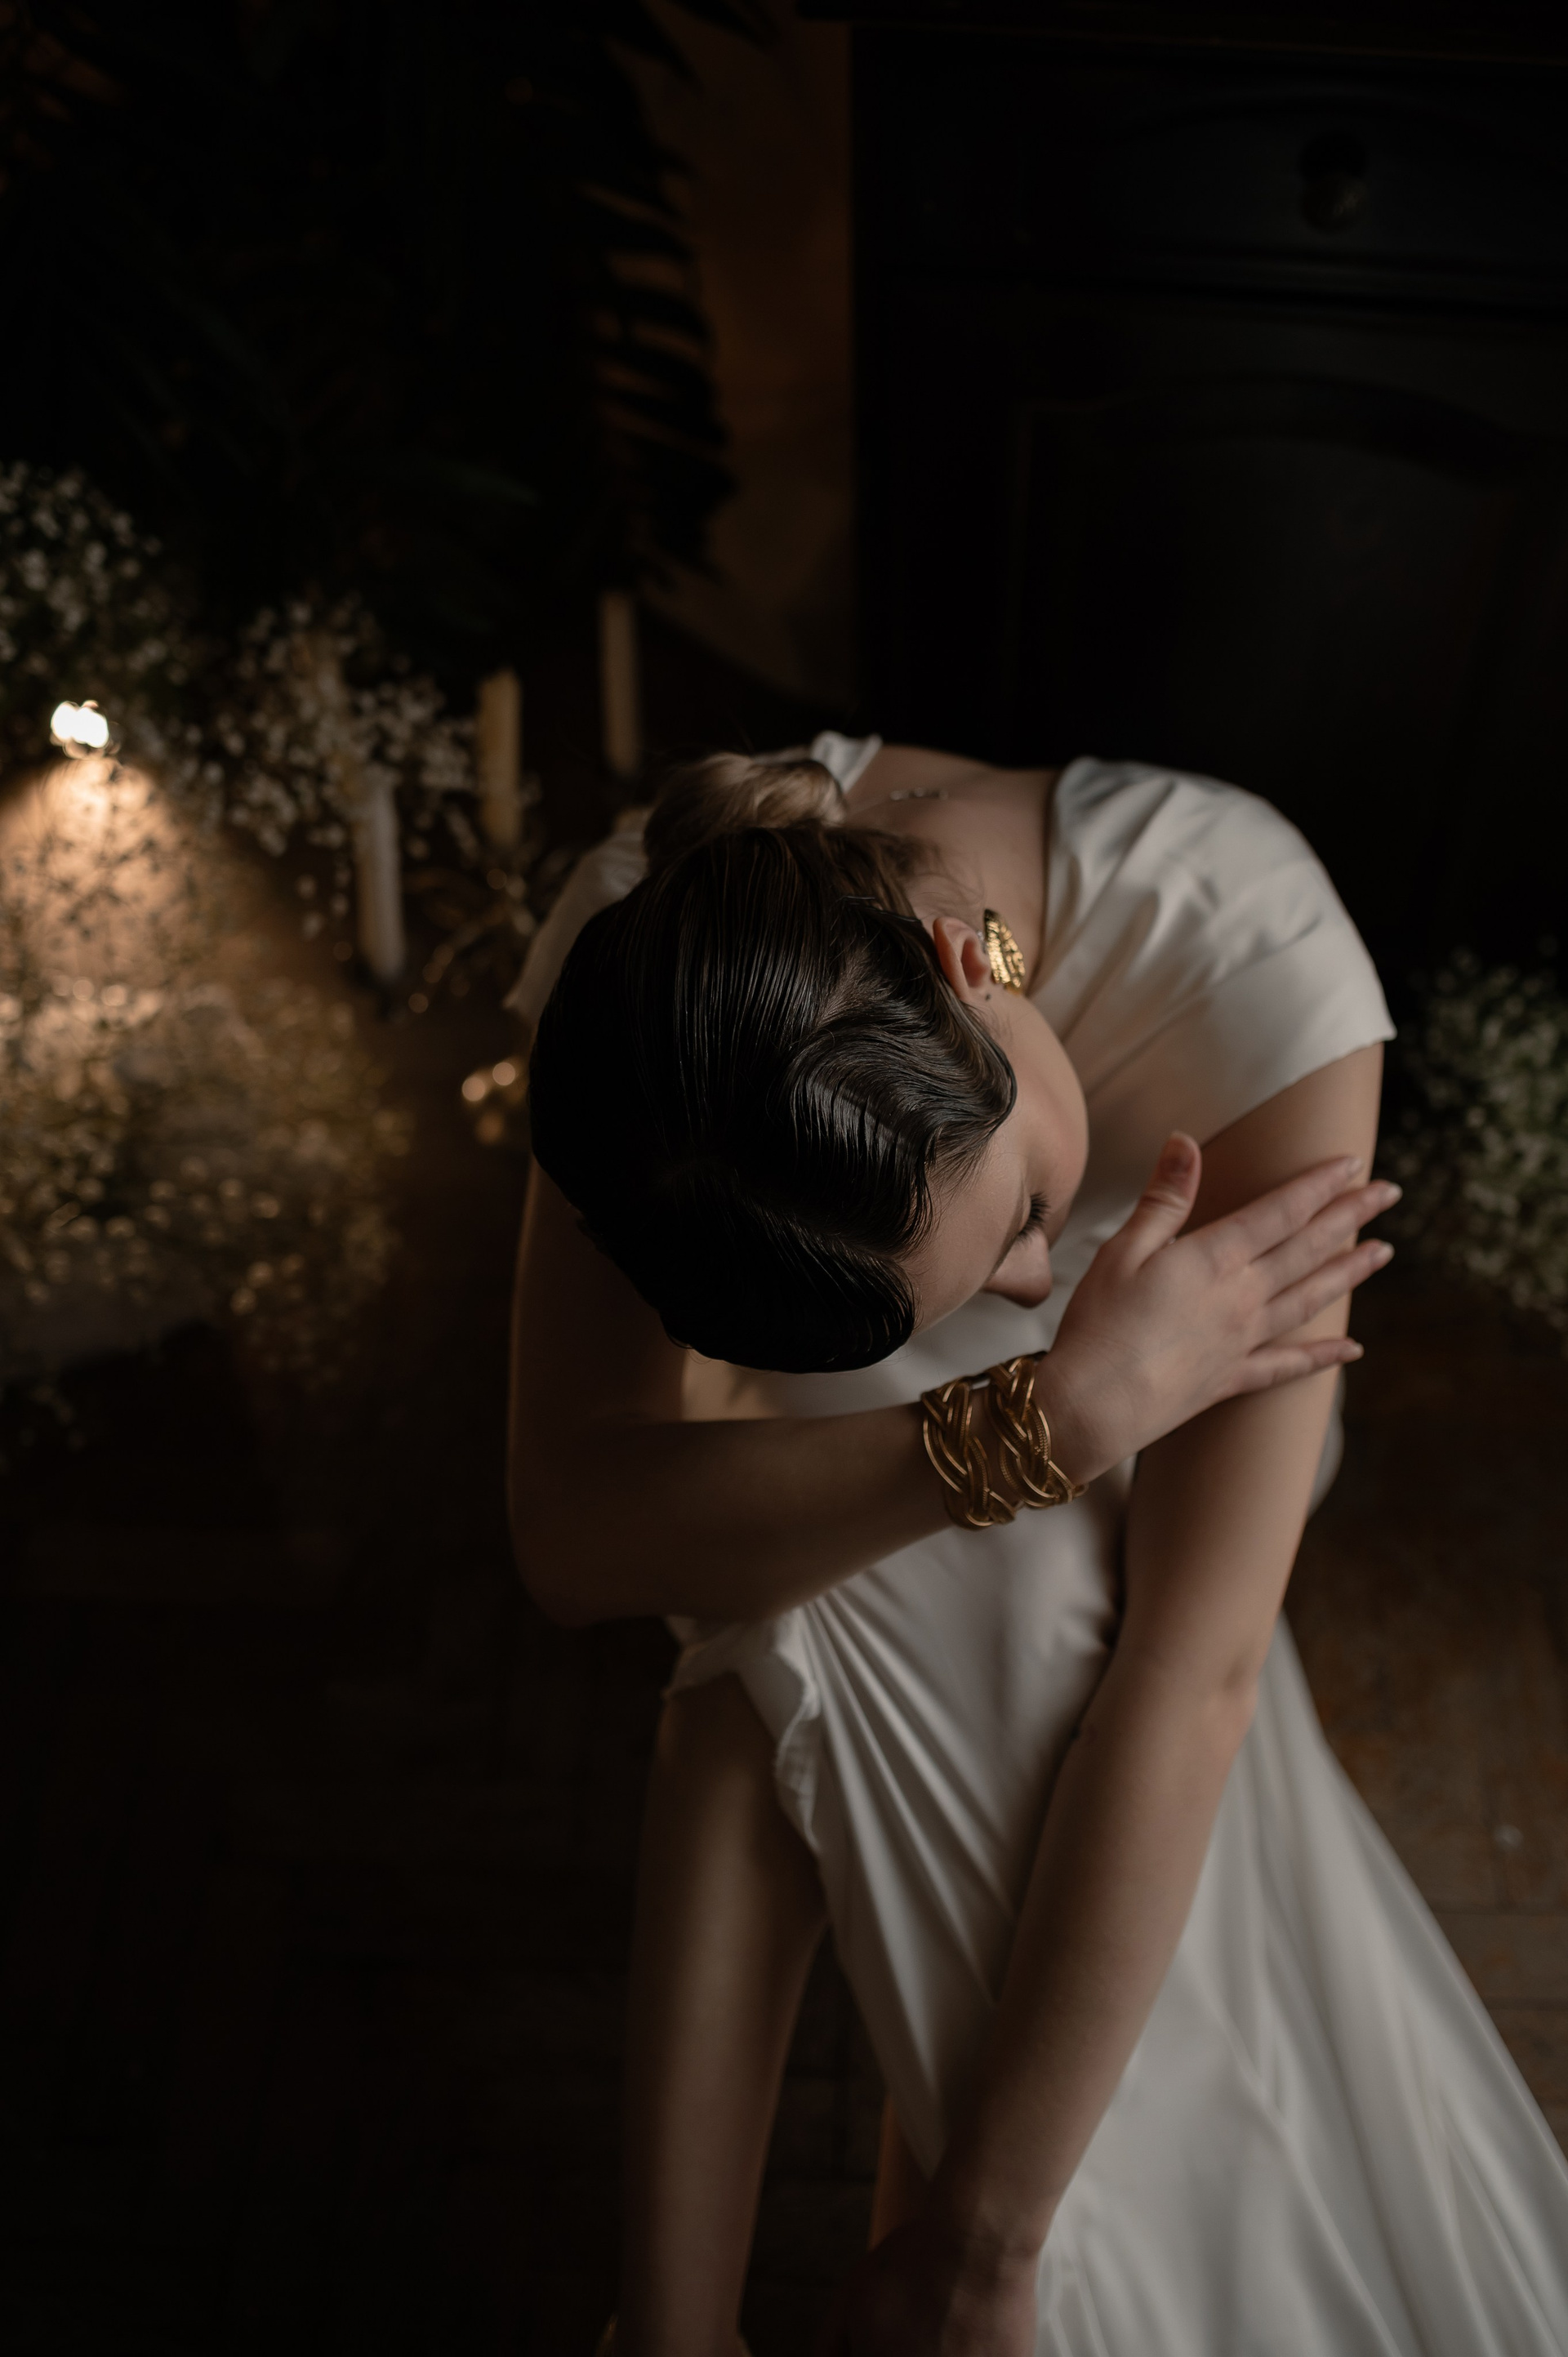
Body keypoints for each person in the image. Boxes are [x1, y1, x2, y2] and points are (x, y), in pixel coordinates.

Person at [508, 737, 1568, 2357]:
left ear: (970, 965)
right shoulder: (661, 1012)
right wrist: (1043, 1420)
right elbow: (576, 1539)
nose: (1025, 1287)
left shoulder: (1253, 963)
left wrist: (984, 2233)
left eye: (1019, 1222)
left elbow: (1193, 1666)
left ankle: (711, 2316)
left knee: (881, 1612)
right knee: (834, 1582)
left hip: (1187, 1426)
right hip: (950, 1431)